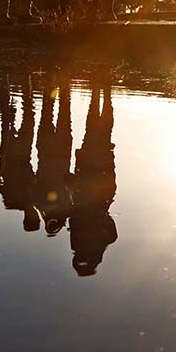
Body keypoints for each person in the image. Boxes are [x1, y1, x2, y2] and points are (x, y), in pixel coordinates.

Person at [69, 81, 117, 276]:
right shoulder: (80, 240)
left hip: (100, 183)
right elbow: (74, 213)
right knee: (94, 132)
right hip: (92, 178)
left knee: (101, 133)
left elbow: (112, 231)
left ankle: (102, 93)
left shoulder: (99, 241)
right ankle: (100, 92)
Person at [0, 81, 39, 231]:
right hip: (24, 156)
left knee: (10, 121)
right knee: (28, 119)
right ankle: (26, 85)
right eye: (36, 217)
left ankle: (7, 86)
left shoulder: (11, 201)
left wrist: (2, 169)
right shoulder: (35, 199)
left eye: (34, 218)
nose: (35, 215)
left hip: (11, 157)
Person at [34, 76, 73, 235]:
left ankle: (62, 83)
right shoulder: (39, 204)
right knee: (48, 111)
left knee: (63, 112)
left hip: (60, 154)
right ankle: (52, 82)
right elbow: (34, 182)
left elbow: (71, 182)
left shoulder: (66, 207)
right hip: (46, 152)